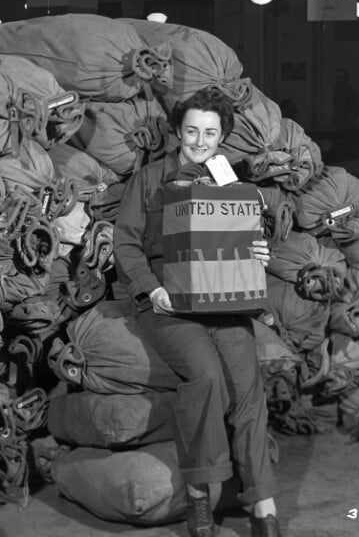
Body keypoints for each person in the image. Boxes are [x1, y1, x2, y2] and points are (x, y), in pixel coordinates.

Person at [114, 88, 281, 537]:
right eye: (192, 131)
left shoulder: (230, 183)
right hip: (171, 305)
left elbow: (247, 237)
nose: (200, 141)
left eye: (210, 132)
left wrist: (259, 250)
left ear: (222, 135)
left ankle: (263, 505)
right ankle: (199, 497)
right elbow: (125, 244)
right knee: (206, 378)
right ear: (178, 132)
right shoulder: (149, 179)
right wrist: (152, 290)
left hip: (226, 303)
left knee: (247, 389)